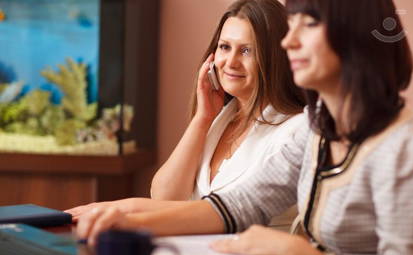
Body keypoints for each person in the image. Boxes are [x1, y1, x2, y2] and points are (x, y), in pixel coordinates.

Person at [210, 0, 413, 255]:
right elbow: (245, 202)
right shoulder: (318, 125)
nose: (288, 42)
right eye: (291, 24)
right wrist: (134, 218)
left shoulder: (403, 149)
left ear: (355, 35)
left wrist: (293, 251)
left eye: (308, 24)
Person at [69, 0, 303, 223]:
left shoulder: (295, 131)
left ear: (276, 58)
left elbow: (226, 213)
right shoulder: (221, 119)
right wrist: (202, 119)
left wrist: (124, 210)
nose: (230, 62)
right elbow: (164, 196)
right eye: (224, 47)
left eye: (246, 51)